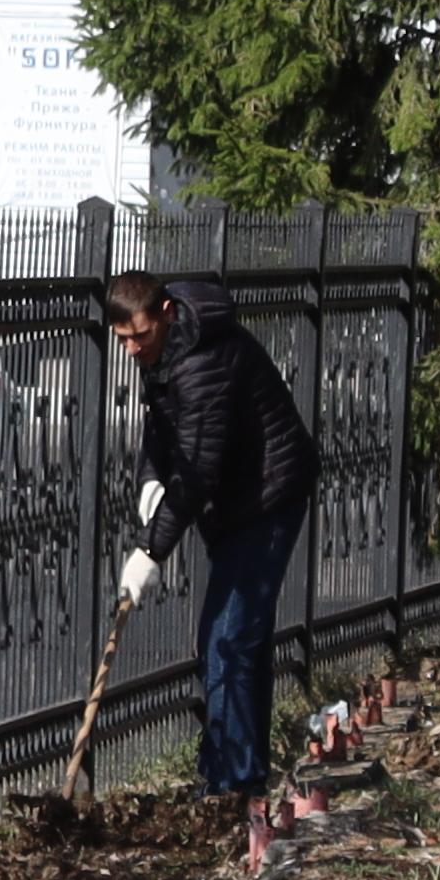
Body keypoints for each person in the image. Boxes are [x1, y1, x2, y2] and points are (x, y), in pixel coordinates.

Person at [108, 271, 319, 800]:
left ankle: (235, 786)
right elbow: (160, 424)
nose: (133, 350)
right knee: (228, 640)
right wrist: (150, 477)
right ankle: (230, 771)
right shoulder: (166, 350)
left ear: (166, 313)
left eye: (141, 337)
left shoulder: (203, 361)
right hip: (234, 502)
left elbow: (199, 470)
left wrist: (150, 550)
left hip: (266, 498)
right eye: (123, 341)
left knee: (229, 641)